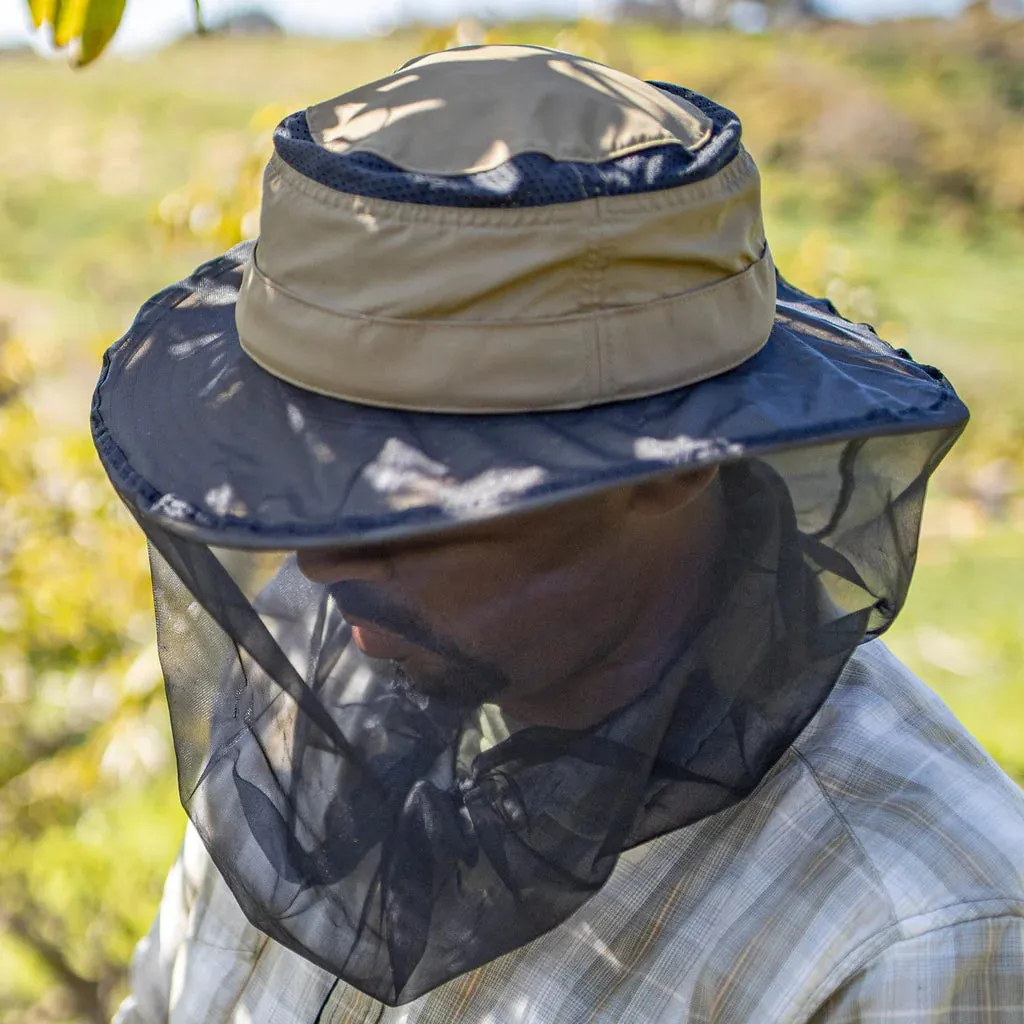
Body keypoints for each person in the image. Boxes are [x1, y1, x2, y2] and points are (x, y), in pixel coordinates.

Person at [92, 45, 1024, 1024]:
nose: (323, 560)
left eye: (417, 487)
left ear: (675, 460)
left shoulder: (920, 935)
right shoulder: (323, 709)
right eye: (311, 469)